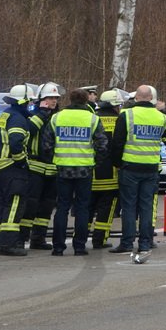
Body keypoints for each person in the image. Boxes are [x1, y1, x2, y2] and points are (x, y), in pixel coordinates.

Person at [109, 85, 166, 255]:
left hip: (129, 167)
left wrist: (117, 163)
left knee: (128, 207)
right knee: (146, 207)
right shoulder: (161, 117)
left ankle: (127, 243)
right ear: (151, 99)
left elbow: (117, 143)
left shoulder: (126, 115)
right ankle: (145, 243)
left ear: (136, 98)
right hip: (151, 168)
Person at [41, 88, 108, 255]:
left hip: (63, 168)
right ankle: (79, 246)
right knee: (82, 208)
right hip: (84, 168)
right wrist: (95, 163)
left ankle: (58, 247)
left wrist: (54, 159)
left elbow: (46, 144)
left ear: (70, 100)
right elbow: (102, 145)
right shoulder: (92, 119)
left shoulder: (57, 117)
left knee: (62, 208)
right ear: (86, 100)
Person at [0, 84, 35, 256]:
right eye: (29, 102)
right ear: (24, 101)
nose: (30, 105)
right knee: (14, 205)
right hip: (12, 169)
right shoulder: (18, 118)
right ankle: (8, 244)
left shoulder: (4, 115)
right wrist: (22, 162)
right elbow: (16, 142)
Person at [21, 82, 63, 250]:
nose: (53, 101)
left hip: (52, 166)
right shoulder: (33, 115)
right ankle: (21, 238)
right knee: (31, 204)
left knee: (47, 205)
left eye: (55, 98)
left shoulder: (58, 116)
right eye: (49, 98)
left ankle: (38, 238)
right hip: (35, 166)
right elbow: (29, 130)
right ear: (41, 100)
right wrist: (42, 113)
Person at [89, 89, 123, 248]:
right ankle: (100, 239)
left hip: (89, 171)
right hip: (111, 173)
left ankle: (79, 238)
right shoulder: (119, 121)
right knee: (107, 208)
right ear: (116, 106)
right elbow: (119, 146)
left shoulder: (92, 119)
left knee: (86, 208)